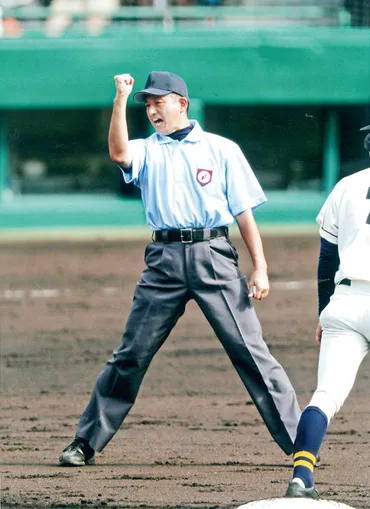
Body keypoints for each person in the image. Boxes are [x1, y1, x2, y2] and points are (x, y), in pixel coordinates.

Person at [59, 70, 301, 467]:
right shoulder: (147, 149)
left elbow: (243, 213)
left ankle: (298, 442)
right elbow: (119, 154)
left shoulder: (221, 148)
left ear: (181, 103)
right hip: (164, 261)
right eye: (148, 104)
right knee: (131, 354)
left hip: (214, 254)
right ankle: (86, 442)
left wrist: (261, 266)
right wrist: (121, 99)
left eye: (158, 101)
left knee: (251, 351)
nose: (152, 109)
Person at [285, 124, 370, 499]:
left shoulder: (347, 186)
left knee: (325, 395)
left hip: (346, 304)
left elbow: (326, 261)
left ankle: (302, 476)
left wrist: (323, 313)